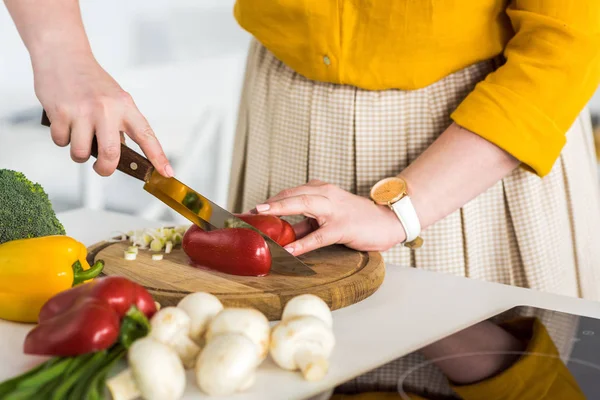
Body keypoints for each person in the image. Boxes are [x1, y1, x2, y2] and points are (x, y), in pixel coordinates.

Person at [5, 1, 600, 397]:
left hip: (479, 148)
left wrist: (404, 209)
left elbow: (572, 38)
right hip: (285, 115)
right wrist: (62, 50)